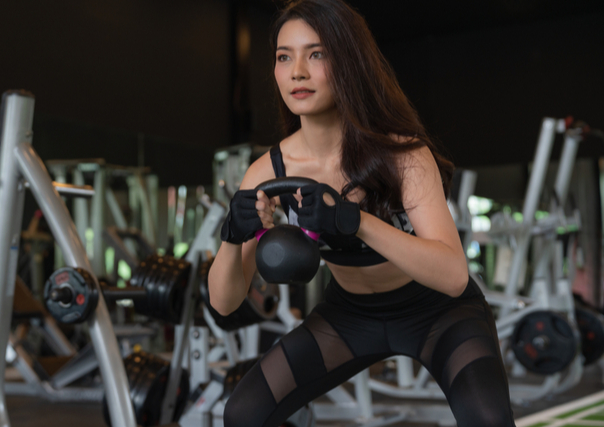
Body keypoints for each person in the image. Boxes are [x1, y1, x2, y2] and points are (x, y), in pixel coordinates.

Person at [207, 1, 515, 426]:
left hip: (438, 314)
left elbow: (452, 274)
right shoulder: (266, 172)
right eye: (284, 56)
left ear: (348, 62)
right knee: (243, 414)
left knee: (489, 420)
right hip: (349, 317)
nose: (297, 71)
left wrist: (356, 222)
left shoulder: (402, 154)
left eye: (317, 54)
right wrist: (231, 237)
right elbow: (224, 304)